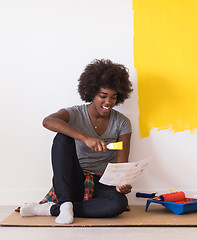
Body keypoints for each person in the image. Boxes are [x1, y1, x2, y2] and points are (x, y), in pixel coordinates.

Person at [20, 59, 133, 224]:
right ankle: (65, 203)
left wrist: (122, 184)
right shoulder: (75, 113)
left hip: (103, 182)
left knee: (119, 204)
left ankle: (51, 209)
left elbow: (122, 164)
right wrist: (85, 138)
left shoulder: (122, 122)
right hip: (74, 181)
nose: (108, 102)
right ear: (91, 92)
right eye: (103, 96)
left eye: (113, 97)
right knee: (62, 137)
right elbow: (47, 121)